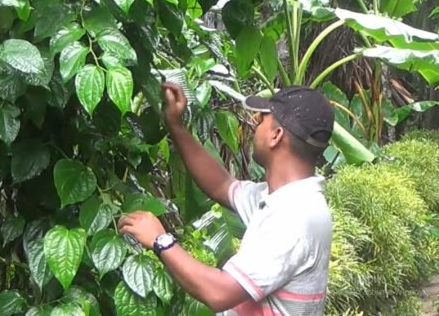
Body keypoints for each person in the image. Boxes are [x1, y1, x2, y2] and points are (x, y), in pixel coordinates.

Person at [119, 83, 335, 315]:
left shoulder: (294, 217)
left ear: (276, 135)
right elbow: (222, 185)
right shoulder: (286, 198)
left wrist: (160, 240)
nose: (254, 125)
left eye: (261, 120)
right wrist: (176, 126)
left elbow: (220, 292)